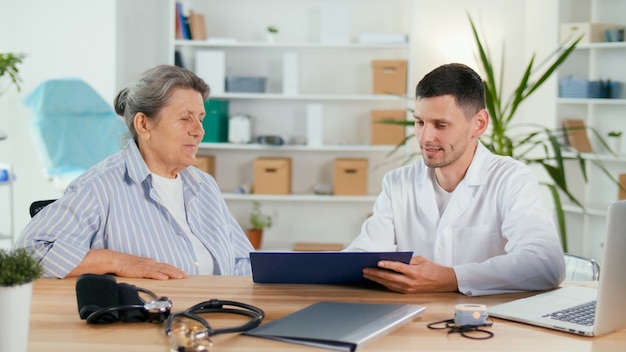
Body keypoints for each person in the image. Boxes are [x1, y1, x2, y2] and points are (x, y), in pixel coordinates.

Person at [345, 63, 565, 296]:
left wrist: (452, 277)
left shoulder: (511, 179)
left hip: (486, 323)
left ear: (478, 124)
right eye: (419, 122)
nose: (425, 137)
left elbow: (546, 264)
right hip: (415, 319)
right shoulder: (398, 183)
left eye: (441, 125)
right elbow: (365, 253)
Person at [15, 65, 254, 279]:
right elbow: (28, 255)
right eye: (185, 118)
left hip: (216, 319)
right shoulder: (100, 188)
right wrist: (117, 261)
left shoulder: (204, 185)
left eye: (200, 119)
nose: (199, 131)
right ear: (143, 124)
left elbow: (242, 262)